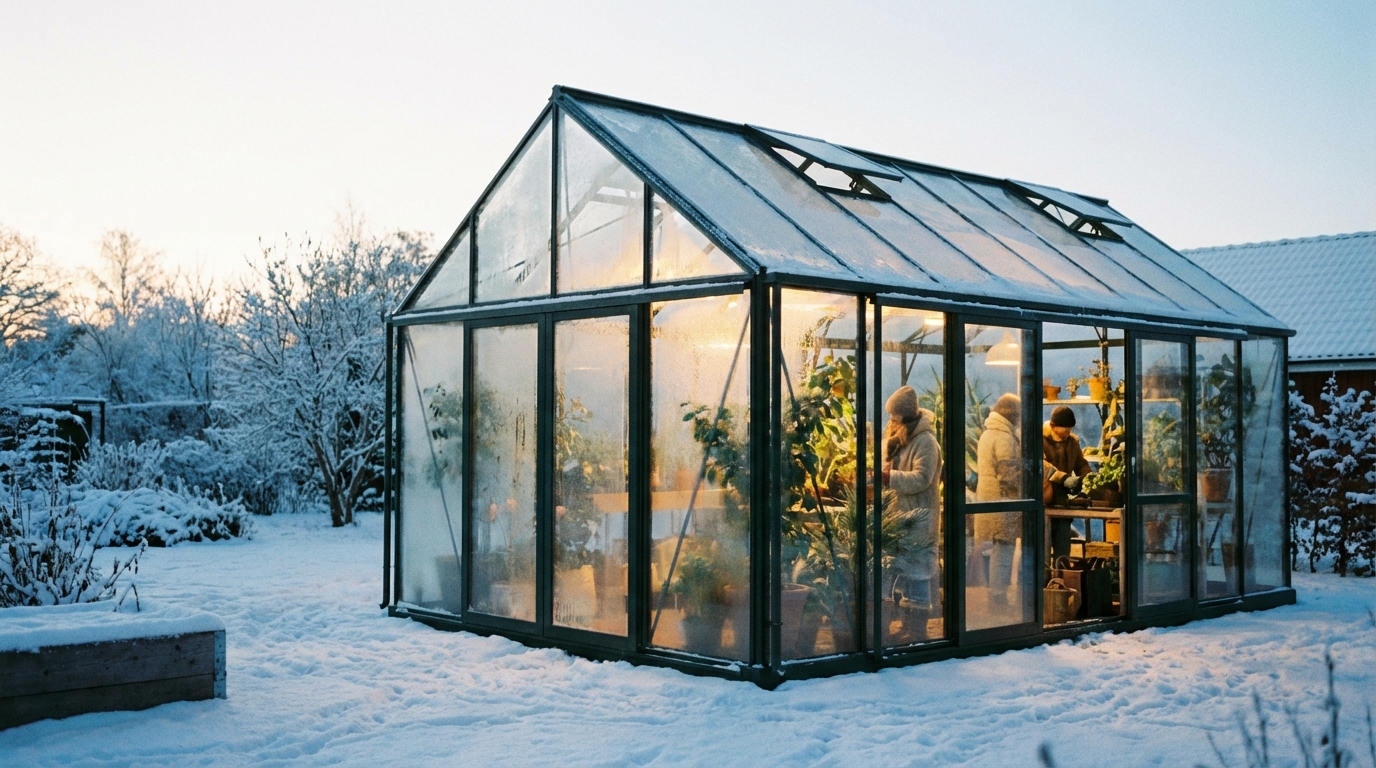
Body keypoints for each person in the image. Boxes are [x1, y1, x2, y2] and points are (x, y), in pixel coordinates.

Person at [880, 386, 941, 612]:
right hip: (900, 514)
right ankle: (907, 623)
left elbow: (922, 478)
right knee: (903, 570)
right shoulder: (901, 438)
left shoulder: (925, 441)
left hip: (919, 516)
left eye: (894, 414)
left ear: (904, 415)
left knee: (918, 573)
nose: (891, 419)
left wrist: (889, 477)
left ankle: (918, 626)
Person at [974, 394, 1023, 614]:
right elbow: (1008, 473)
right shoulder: (1004, 437)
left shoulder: (987, 433)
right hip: (1003, 498)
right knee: (1004, 547)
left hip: (986, 494)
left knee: (993, 546)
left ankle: (993, 592)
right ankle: (999, 595)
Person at [1042, 405, 1093, 505]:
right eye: (1065, 429)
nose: (1068, 432)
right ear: (1053, 425)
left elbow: (1080, 464)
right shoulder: (1041, 441)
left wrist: (1087, 477)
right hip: (1047, 493)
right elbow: (1042, 465)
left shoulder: (1073, 442)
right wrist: (1063, 478)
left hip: (1066, 493)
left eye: (1070, 429)